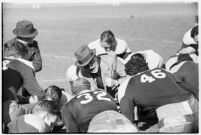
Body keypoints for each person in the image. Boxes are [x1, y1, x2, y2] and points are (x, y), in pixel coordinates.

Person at [118, 53, 198, 133]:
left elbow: (128, 121)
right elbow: (184, 85)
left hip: (175, 119)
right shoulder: (162, 71)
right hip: (195, 107)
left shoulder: (126, 85)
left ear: (128, 73)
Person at [2, 41, 45, 127]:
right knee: (45, 106)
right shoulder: (23, 64)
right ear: (21, 55)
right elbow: (40, 95)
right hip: (7, 110)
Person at [3, 20, 43, 98]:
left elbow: (38, 65)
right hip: (14, 85)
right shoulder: (9, 46)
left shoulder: (34, 45)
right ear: (25, 37)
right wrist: (25, 66)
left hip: (29, 81)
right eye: (32, 35)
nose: (34, 37)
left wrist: (23, 66)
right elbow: (8, 66)